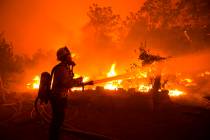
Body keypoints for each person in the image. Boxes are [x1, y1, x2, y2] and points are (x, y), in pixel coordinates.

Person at [49, 46, 93, 140]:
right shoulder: (61, 69)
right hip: (57, 98)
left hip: (61, 97)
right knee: (57, 119)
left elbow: (68, 81)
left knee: (59, 118)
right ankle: (53, 137)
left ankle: (55, 136)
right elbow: (67, 84)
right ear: (65, 57)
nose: (71, 57)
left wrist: (80, 81)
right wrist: (78, 82)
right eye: (69, 55)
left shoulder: (65, 68)